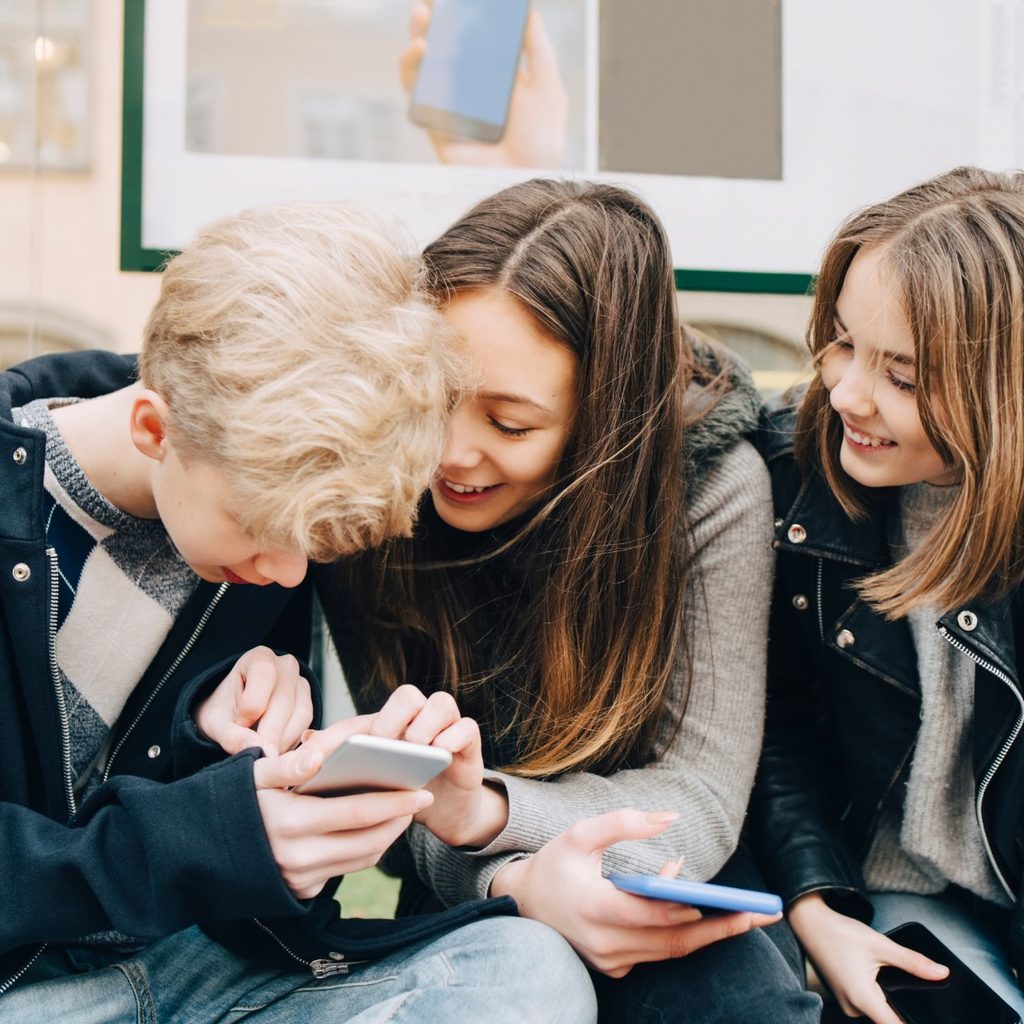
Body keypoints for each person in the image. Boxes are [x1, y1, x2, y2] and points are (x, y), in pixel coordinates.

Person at [0, 201, 597, 1023]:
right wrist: (212, 835)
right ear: (153, 428)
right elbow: (159, 849)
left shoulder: (254, 534)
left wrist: (283, 785)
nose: (284, 575)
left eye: (312, 548)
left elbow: (232, 886)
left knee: (527, 972)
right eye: (260, 528)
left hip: (197, 970)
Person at [316, 178, 823, 1022]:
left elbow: (699, 796)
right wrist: (513, 881)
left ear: (607, 421)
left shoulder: (711, 485)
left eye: (510, 425)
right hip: (458, 883)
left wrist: (493, 814)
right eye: (436, 395)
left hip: (660, 872)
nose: (451, 452)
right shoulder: (381, 474)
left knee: (733, 996)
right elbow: (397, 798)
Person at [749, 166, 1024, 1023]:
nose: (846, 394)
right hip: (905, 897)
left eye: (902, 377)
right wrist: (816, 904)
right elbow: (779, 727)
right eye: (842, 343)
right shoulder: (796, 480)